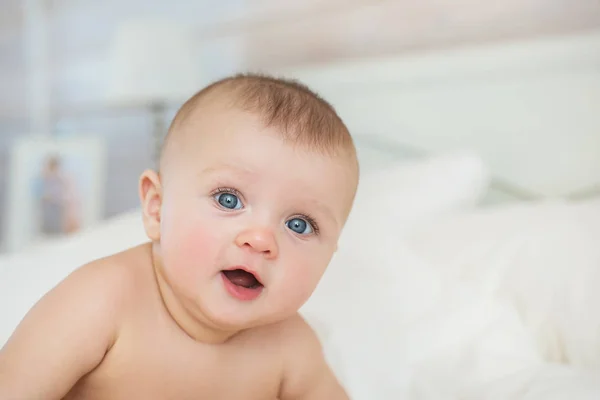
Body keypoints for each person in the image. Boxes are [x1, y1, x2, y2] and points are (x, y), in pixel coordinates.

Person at [0, 74, 359, 399]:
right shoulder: (103, 300)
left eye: (299, 225)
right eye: (228, 200)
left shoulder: (292, 348)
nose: (261, 239)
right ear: (157, 208)